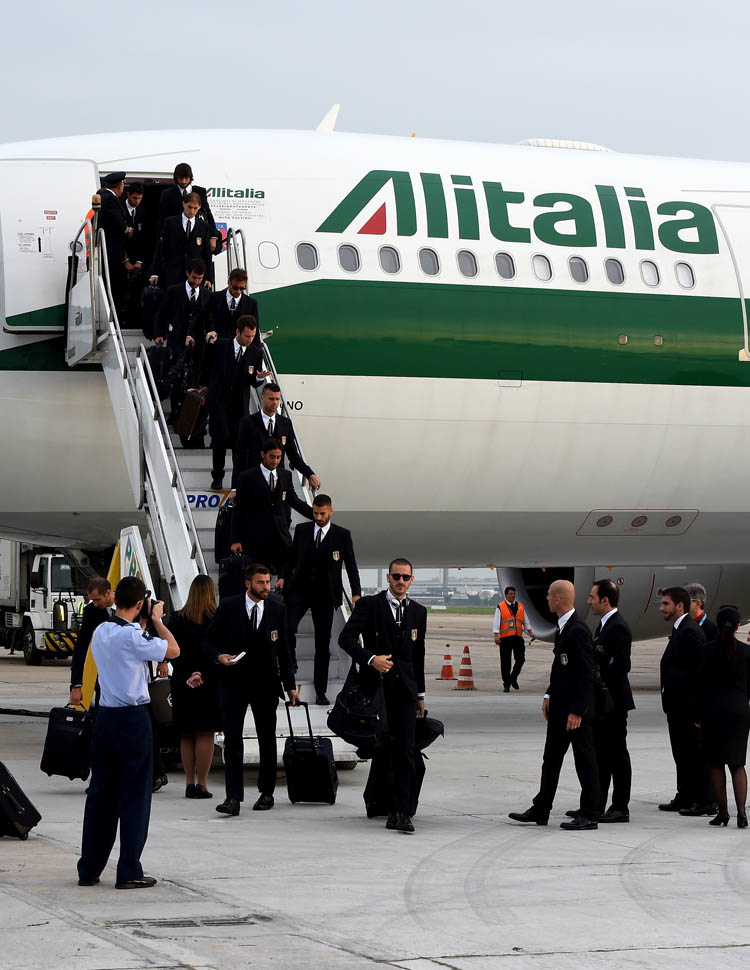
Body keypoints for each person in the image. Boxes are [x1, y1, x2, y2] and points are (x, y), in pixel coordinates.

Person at [77, 577, 179, 889]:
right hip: (133, 719)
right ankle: (129, 869)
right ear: (139, 603)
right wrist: (158, 621)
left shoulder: (102, 630)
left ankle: (89, 868)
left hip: (105, 717)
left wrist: (143, 619)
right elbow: (172, 650)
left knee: (101, 795)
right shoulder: (134, 636)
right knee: (135, 796)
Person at [338, 559, 427, 834]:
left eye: (406, 577)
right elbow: (346, 639)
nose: (401, 582)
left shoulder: (419, 612)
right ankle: (380, 803)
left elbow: (418, 655)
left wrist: (421, 694)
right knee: (384, 747)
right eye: (396, 577)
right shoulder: (369, 605)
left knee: (406, 751)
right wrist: (370, 658)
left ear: (411, 580)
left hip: (406, 691)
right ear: (388, 578)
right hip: (376, 689)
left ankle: (402, 812)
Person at [204, 563, 299, 815]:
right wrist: (219, 656)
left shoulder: (278, 608)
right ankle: (232, 798)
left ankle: (266, 793)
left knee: (267, 739)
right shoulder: (229, 606)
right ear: (248, 583)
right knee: (233, 740)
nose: (266, 587)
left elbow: (285, 650)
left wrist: (290, 686)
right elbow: (209, 640)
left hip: (266, 685)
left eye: (268, 582)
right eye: (260, 583)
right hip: (233, 684)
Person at [509, 580, 599, 830]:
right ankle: (541, 808)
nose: (547, 599)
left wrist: (578, 710)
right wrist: (549, 694)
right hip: (560, 708)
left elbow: (586, 674)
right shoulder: (564, 628)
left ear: (558, 599)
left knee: (585, 761)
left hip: (574, 712)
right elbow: (561, 669)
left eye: (549, 595)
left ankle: (590, 813)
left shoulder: (578, 629)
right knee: (550, 760)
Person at [277, 493, 362, 705]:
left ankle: (320, 691)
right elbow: (291, 558)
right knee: (286, 630)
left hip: (325, 595)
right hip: (299, 590)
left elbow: (351, 567)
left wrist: (356, 593)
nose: (318, 517)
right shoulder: (303, 531)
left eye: (322, 513)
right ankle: (291, 662)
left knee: (322, 645)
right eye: (315, 513)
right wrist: (282, 578)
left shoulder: (342, 535)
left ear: (330, 511)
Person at [658, 586, 712, 815]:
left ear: (681, 606)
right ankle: (685, 795)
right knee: (681, 753)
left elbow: (700, 673)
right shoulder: (681, 628)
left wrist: (698, 711)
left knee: (693, 755)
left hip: (687, 707)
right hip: (677, 707)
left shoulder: (690, 631)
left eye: (666, 604)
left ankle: (704, 800)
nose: (661, 608)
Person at [166, 575, 220, 799]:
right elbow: (218, 649)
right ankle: (203, 783)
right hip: (208, 680)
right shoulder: (216, 618)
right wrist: (202, 673)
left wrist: (188, 672)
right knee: (206, 732)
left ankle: (188, 782)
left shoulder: (177, 618)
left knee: (187, 733)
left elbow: (170, 650)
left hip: (182, 679)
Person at [587, 578, 635, 822]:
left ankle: (620, 807)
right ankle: (597, 804)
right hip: (604, 703)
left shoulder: (617, 626)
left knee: (617, 755)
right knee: (602, 755)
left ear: (605, 600)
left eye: (592, 597)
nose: (589, 601)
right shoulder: (604, 625)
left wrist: (599, 664)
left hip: (614, 703)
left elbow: (623, 664)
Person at [698, 606, 750, 828]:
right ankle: (741, 813)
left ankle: (722, 812)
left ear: (717, 625)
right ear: (738, 626)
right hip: (739, 709)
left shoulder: (707, 650)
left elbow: (699, 685)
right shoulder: (747, 652)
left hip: (714, 710)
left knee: (716, 764)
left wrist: (698, 714)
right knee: (737, 764)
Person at [231, 438, 314, 574]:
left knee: (286, 577)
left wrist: (314, 514)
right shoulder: (247, 477)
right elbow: (238, 510)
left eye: (279, 457)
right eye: (272, 457)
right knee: (259, 579)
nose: (275, 461)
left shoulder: (285, 475)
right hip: (256, 540)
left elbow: (294, 501)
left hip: (281, 538)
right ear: (263, 454)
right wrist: (235, 539)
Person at [206, 316, 268, 489]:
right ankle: (217, 476)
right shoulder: (221, 346)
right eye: (247, 336)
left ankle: (237, 480)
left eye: (252, 336)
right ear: (238, 332)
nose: (250, 340)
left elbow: (253, 382)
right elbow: (206, 365)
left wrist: (258, 377)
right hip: (219, 401)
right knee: (220, 438)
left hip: (239, 404)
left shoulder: (256, 352)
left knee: (238, 443)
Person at [232, 382, 321, 490]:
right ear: (262, 398)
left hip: (278, 483)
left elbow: (293, 455)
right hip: (254, 482)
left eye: (277, 399)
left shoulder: (286, 424)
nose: (275, 402)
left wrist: (310, 474)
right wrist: (235, 488)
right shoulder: (247, 423)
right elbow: (239, 457)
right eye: (271, 399)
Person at [149, 193, 213, 290]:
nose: (192, 211)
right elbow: (160, 249)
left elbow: (207, 253)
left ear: (199, 207)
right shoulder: (170, 222)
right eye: (189, 207)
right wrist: (155, 272)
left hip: (194, 275)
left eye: (195, 208)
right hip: (172, 273)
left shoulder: (204, 227)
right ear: (183, 204)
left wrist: (208, 277)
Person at [69, 577, 115, 707]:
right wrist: (76, 684)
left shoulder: (127, 604)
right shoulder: (91, 611)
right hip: (104, 676)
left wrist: (162, 660)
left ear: (108, 593)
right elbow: (81, 647)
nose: (95, 604)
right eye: (92, 600)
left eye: (97, 599)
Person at [157, 162, 220, 251]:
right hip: (174, 237)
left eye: (186, 178)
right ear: (176, 178)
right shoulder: (167, 194)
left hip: (195, 236)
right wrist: (161, 237)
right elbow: (162, 218)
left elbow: (208, 214)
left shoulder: (200, 191)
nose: (183, 181)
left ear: (190, 178)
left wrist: (213, 236)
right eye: (181, 178)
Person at [153, 260, 212, 352]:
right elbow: (162, 314)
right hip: (176, 340)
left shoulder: (207, 295)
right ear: (187, 273)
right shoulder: (173, 291)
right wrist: (158, 334)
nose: (196, 281)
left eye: (200, 278)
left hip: (199, 342)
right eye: (194, 277)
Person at [98, 171, 130, 318]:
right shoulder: (110, 199)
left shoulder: (105, 197)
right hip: (112, 251)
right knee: (114, 284)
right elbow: (118, 223)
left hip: (110, 250)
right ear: (120, 185)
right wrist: (127, 229)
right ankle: (113, 316)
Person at [197, 269, 261, 344]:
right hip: (217, 346)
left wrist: (257, 351)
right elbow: (201, 318)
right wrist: (206, 335)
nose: (238, 291)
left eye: (242, 288)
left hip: (239, 348)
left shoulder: (251, 303)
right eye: (235, 288)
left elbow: (254, 330)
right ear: (228, 282)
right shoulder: (214, 297)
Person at [492, 585, 534, 692]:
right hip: (505, 638)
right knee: (506, 662)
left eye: (514, 593)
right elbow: (496, 621)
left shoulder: (520, 606)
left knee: (521, 659)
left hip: (517, 637)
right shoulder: (500, 606)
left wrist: (531, 632)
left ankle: (513, 677)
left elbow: (526, 621)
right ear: (506, 595)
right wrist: (496, 635)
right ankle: (507, 684)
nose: (513, 595)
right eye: (511, 594)